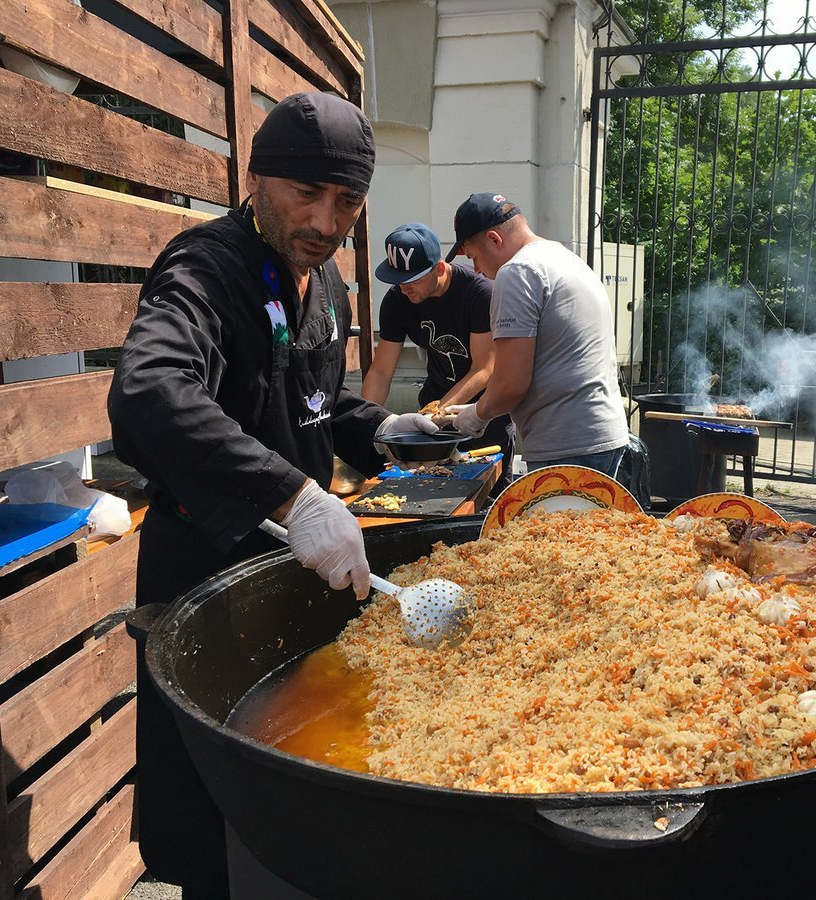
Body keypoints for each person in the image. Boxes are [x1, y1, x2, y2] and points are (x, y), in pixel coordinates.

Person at [107, 92, 436, 898]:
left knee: (302, 802)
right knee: (219, 820)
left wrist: (387, 430)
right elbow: (150, 391)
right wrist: (293, 497)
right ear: (256, 179)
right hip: (208, 572)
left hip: (302, 566)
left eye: (347, 202)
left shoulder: (325, 285)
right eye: (306, 193)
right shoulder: (204, 268)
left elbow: (305, 405)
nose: (326, 220)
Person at [442, 192, 629, 476]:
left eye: (474, 258)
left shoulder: (517, 272)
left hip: (566, 446)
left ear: (495, 239)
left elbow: (510, 385)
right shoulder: (563, 257)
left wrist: (475, 415)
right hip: (601, 433)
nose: (477, 271)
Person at [361, 222, 516, 489]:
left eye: (412, 280)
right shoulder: (397, 300)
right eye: (397, 281)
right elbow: (381, 372)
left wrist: (436, 413)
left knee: (489, 500)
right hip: (437, 404)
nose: (404, 288)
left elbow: (483, 369)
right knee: (432, 497)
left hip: (483, 414)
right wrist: (365, 425)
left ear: (440, 268)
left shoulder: (478, 293)